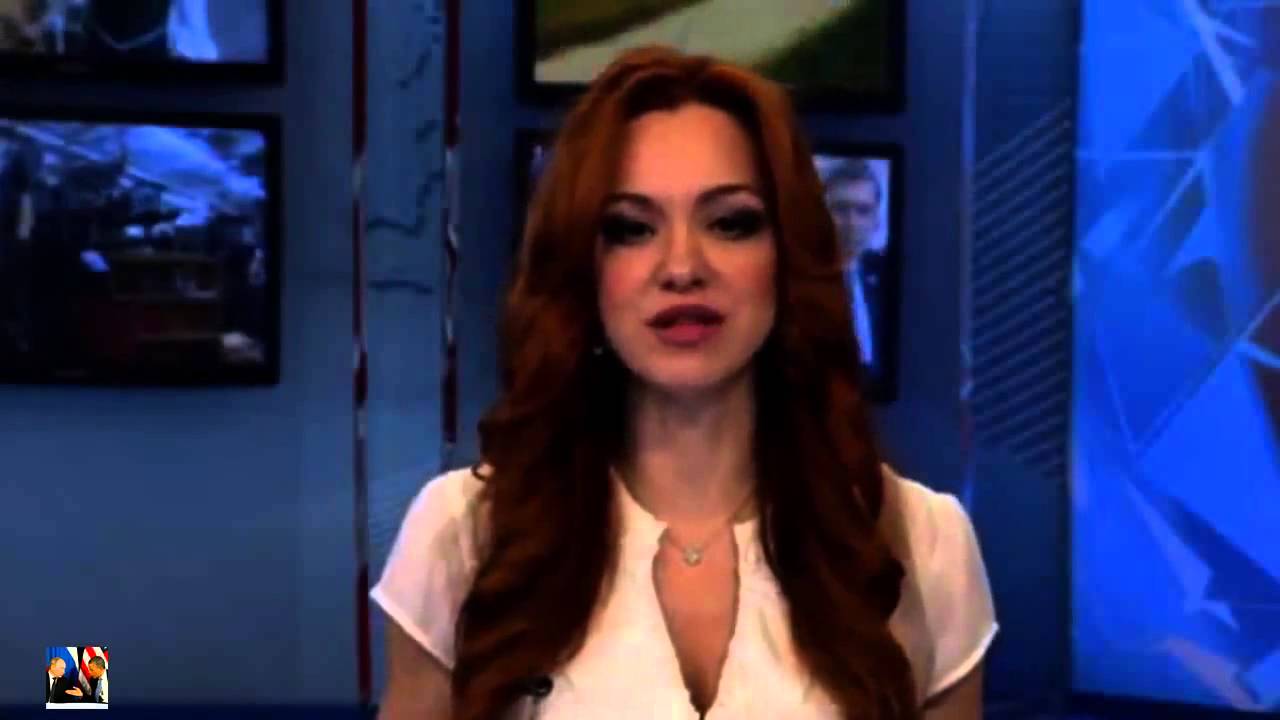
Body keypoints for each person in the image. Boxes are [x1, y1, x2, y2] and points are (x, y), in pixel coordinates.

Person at [372, 46, 997, 720]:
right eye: (631, 229)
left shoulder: (924, 545)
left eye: (730, 223)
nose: (681, 267)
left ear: (787, 253)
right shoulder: (462, 535)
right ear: (584, 265)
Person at [823, 158, 888, 369]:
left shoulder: (889, 275)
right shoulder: (795, 278)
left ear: (876, 221)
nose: (852, 222)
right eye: (840, 209)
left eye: (863, 210)